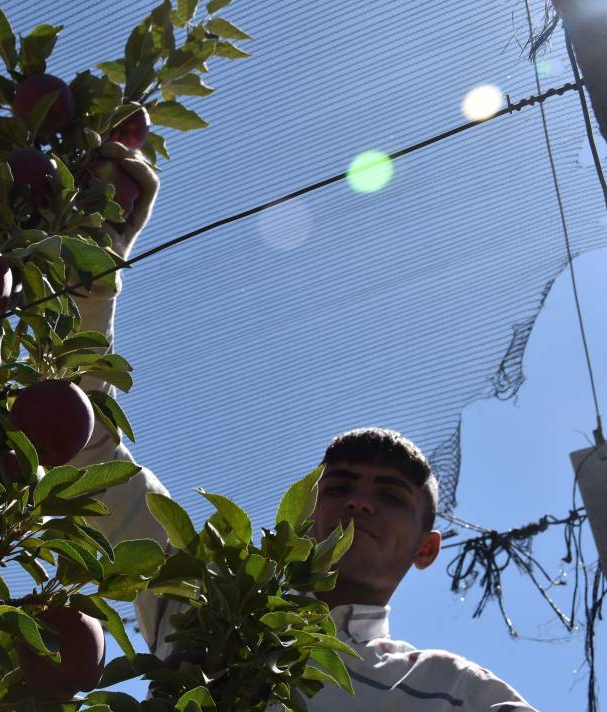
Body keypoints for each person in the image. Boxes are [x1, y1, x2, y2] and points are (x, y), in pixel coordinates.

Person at [66, 143, 537, 710]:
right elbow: (83, 449)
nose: (358, 502)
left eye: (390, 496)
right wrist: (91, 281)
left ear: (426, 549)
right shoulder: (205, 599)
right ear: (300, 513)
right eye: (338, 486)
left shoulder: (452, 691)